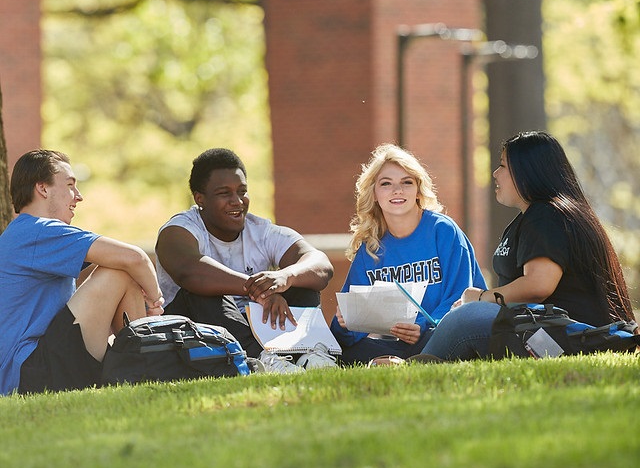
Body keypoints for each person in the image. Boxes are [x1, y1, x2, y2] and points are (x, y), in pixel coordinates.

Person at [423, 131, 636, 361]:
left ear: (526, 171)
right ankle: (415, 362)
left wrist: (482, 297)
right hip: (544, 331)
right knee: (463, 317)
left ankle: (412, 369)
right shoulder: (536, 216)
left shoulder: (546, 215)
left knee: (467, 317)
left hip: (565, 339)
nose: (495, 174)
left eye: (502, 166)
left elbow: (538, 285)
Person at [0, 150, 164, 396]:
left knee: (116, 269)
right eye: (70, 185)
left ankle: (140, 367)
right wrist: (155, 302)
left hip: (36, 366)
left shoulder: (24, 233)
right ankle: (145, 369)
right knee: (119, 271)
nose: (79, 196)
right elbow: (135, 258)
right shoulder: (37, 230)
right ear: (43, 189)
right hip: (30, 373)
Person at [155, 148, 334, 359]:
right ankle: (259, 359)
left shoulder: (260, 230)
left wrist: (285, 277)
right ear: (200, 199)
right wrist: (260, 290)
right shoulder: (178, 230)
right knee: (200, 292)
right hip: (190, 333)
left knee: (302, 283)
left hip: (252, 325)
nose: (237, 201)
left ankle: (308, 354)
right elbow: (189, 271)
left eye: (242, 191)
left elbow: (321, 265)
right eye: (224, 193)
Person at [330, 143, 486, 365]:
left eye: (407, 182)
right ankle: (401, 362)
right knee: (342, 353)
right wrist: (345, 323)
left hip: (444, 333)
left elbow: (460, 298)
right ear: (374, 194)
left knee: (445, 334)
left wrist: (422, 326)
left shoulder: (442, 230)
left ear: (418, 190)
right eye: (386, 183)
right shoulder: (371, 248)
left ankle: (404, 363)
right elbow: (346, 334)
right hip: (398, 344)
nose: (397, 190)